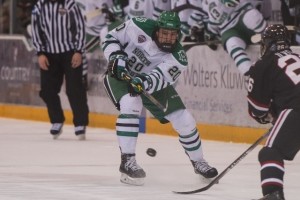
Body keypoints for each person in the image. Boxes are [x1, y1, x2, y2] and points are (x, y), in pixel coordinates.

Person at [102, 11, 218, 186]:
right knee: (132, 103)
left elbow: (160, 78)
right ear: (157, 30)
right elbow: (111, 37)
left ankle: (199, 161)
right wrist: (115, 56)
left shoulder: (178, 58)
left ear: (178, 34)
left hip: (147, 81)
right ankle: (127, 161)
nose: (168, 38)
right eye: (164, 33)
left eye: (173, 34)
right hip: (120, 74)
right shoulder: (138, 25)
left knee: (184, 119)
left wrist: (145, 82)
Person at [247, 24, 300, 200]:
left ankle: (273, 195)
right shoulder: (297, 56)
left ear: (267, 44)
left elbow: (258, 109)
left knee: (270, 152)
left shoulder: (263, 64)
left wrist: (270, 115)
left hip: (297, 108)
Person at [31, 0, 89, 140]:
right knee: (47, 90)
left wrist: (78, 51)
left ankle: (80, 123)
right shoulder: (40, 6)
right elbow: (35, 29)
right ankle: (57, 120)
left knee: (74, 89)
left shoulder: (69, 4)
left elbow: (80, 27)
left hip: (70, 52)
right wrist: (40, 53)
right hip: (48, 54)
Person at [201, 0, 267, 75]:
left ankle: (271, 40)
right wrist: (209, 36)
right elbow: (211, 23)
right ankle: (250, 72)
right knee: (232, 44)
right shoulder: (209, 4)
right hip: (229, 30)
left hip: (243, 18)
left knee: (252, 16)